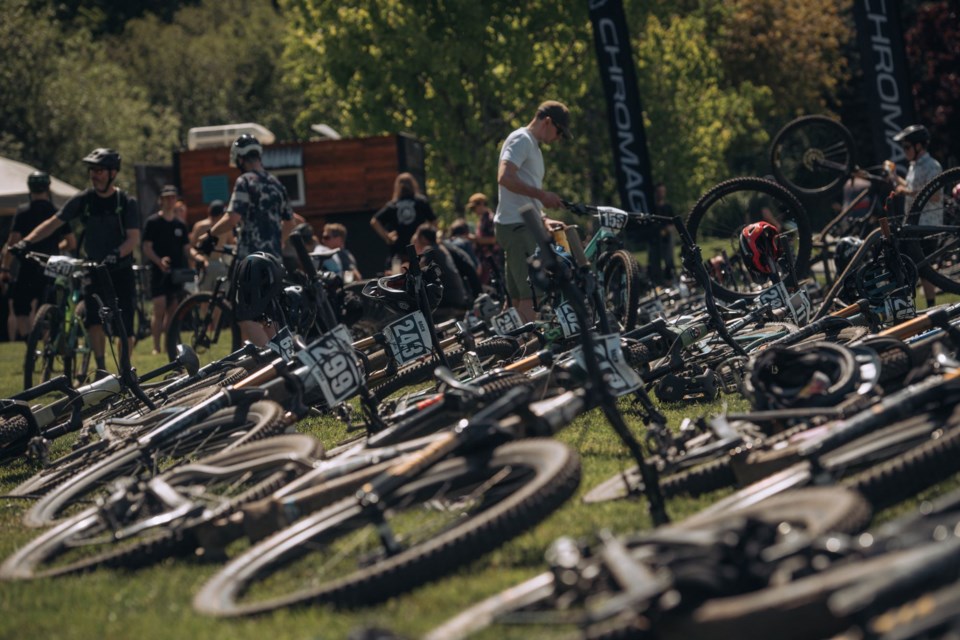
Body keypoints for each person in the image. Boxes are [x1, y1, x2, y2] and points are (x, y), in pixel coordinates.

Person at [12, 149, 139, 373]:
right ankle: (101, 369)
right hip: (92, 268)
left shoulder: (126, 202)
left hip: (120, 269)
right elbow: (54, 222)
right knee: (93, 321)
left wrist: (117, 253)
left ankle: (125, 372)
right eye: (92, 170)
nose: (94, 175)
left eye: (99, 170)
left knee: (125, 327)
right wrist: (27, 242)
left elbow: (133, 238)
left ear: (112, 173)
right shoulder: (84, 199)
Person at [202, 134, 295, 347]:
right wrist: (277, 243)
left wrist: (210, 235)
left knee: (246, 316)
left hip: (250, 261)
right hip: (274, 262)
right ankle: (284, 358)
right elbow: (290, 223)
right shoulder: (276, 184)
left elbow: (233, 217)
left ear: (240, 158)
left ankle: (274, 361)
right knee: (268, 316)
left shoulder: (245, 181)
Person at [494, 100, 570, 321]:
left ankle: (500, 348)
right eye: (559, 132)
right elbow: (504, 177)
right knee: (531, 298)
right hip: (518, 227)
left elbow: (522, 193)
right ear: (548, 122)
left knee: (515, 300)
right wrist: (543, 196)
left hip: (519, 225)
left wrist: (544, 219)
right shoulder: (521, 140)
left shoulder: (532, 146)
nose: (558, 139)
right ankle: (524, 351)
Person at [1, 171, 75, 340]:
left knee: (21, 307)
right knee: (50, 307)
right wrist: (57, 246)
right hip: (52, 265)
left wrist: (5, 268)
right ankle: (48, 343)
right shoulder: (57, 212)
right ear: (48, 187)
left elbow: (13, 243)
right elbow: (71, 242)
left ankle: (30, 342)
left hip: (28, 263)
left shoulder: (23, 212)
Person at [142, 185, 206, 354]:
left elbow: (187, 248)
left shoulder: (180, 224)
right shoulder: (152, 222)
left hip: (176, 273)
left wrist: (198, 258)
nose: (170, 201)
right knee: (159, 308)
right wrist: (158, 261)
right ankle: (156, 346)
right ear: (161, 200)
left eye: (173, 197)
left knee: (173, 310)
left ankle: (168, 344)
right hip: (158, 272)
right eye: (167, 197)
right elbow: (147, 247)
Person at [893, 124, 943, 309]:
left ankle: (913, 308)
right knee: (922, 271)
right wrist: (894, 177)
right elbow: (910, 187)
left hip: (927, 226)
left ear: (919, 146)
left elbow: (935, 195)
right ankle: (928, 307)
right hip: (915, 225)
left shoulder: (932, 165)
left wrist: (906, 191)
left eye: (907, 147)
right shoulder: (914, 166)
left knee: (916, 269)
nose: (904, 151)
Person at [370, 172, 436, 272]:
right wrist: (430, 239)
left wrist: (387, 237)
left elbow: (375, 221)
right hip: (418, 251)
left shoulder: (392, 206)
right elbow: (434, 222)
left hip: (399, 252)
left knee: (396, 282)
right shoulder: (421, 202)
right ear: (413, 184)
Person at [412, 223, 470, 314]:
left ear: (422, 238)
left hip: (449, 302)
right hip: (458, 298)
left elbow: (415, 272)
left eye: (416, 235)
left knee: (415, 313)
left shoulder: (430, 250)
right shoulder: (440, 248)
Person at [189, 200, 229, 294]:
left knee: (219, 298)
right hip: (205, 265)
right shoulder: (201, 226)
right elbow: (191, 248)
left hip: (220, 265)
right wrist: (200, 259)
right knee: (206, 298)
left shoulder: (226, 228)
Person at [467, 192, 501, 287]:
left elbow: (494, 239)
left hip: (491, 260)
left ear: (482, 204)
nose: (473, 211)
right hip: (483, 260)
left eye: (474, 207)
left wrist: (474, 239)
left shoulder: (490, 218)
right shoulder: (482, 219)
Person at [649, 182, 676, 285]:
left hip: (666, 238)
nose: (661, 194)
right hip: (654, 239)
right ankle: (657, 282)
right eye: (659, 192)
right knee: (654, 261)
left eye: (662, 192)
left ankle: (670, 280)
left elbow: (673, 223)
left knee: (669, 259)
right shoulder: (651, 208)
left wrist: (668, 229)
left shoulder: (668, 207)